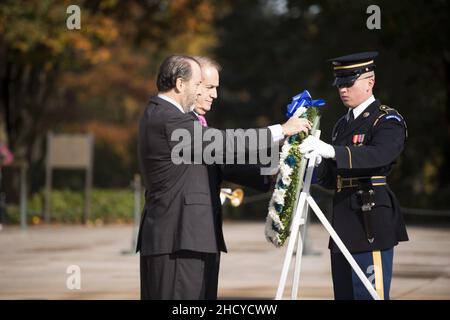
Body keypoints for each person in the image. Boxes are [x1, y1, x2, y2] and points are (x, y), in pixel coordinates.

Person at [137, 54, 311, 300]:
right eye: (200, 85)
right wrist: (280, 130)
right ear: (180, 84)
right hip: (178, 240)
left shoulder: (176, 118)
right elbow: (223, 143)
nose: (205, 93)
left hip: (192, 237)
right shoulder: (168, 118)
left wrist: (275, 171)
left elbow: (220, 163)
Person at [299, 51, 408, 300]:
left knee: (370, 295)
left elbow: (379, 156)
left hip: (369, 217)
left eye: (349, 82)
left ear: (370, 82)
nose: (342, 89)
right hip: (342, 221)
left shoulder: (386, 119)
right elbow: (333, 177)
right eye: (339, 83)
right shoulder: (342, 124)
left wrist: (330, 151)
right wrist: (316, 165)